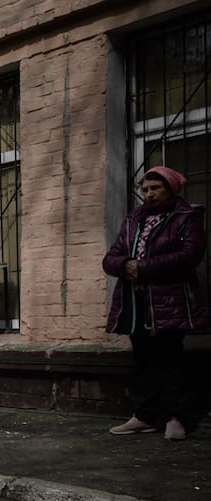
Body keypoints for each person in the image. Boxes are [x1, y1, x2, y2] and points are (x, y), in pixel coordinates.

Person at [102, 166, 207, 440]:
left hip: (170, 300)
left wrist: (144, 268)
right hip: (136, 303)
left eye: (155, 188)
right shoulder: (133, 219)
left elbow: (190, 254)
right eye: (145, 189)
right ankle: (144, 416)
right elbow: (111, 256)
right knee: (142, 360)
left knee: (170, 360)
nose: (148, 194)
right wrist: (125, 264)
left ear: (171, 188)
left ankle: (176, 418)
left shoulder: (186, 215)